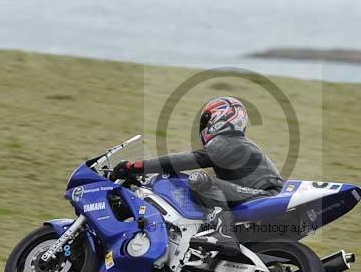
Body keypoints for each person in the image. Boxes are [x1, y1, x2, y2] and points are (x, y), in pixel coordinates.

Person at [112, 97, 284, 256]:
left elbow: (189, 160)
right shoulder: (238, 143)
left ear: (221, 117)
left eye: (206, 120)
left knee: (198, 179)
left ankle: (223, 232)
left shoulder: (228, 140)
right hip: (257, 194)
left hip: (262, 195)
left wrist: (137, 166)